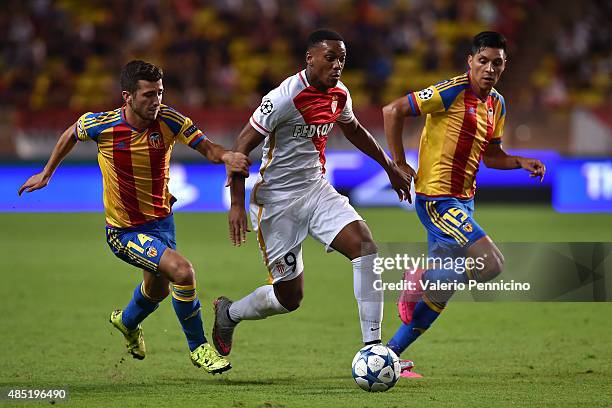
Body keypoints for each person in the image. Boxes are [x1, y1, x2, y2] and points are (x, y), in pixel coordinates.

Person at [18, 60, 251, 374]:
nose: (156, 101)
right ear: (127, 97)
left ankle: (126, 323)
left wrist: (227, 156)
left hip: (162, 223)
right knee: (182, 272)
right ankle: (199, 349)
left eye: (160, 93)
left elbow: (207, 147)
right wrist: (47, 173)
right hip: (124, 231)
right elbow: (72, 133)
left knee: (157, 290)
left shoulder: (169, 120)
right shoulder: (103, 125)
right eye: (148, 95)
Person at [211, 29, 412, 358]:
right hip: (276, 203)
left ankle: (373, 349)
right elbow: (240, 147)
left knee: (365, 246)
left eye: (342, 60)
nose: (337, 66)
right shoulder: (284, 98)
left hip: (316, 190)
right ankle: (229, 313)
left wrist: (389, 167)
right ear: (310, 59)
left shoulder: (340, 94)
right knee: (289, 298)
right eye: (330, 58)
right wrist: (235, 204)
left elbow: (354, 129)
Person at [382, 31, 546, 377]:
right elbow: (393, 110)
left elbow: (492, 156)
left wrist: (519, 161)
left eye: (496, 63)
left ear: (504, 66)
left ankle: (389, 356)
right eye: (482, 61)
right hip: (437, 200)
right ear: (470, 61)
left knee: (444, 290)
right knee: (491, 265)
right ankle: (419, 276)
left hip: (465, 203)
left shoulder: (497, 104)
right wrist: (397, 162)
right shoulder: (451, 90)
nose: (489, 68)